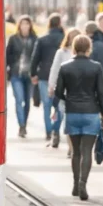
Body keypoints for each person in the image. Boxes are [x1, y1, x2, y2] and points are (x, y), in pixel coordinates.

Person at [52, 35, 103, 201]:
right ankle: (83, 183)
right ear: (89, 49)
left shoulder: (65, 67)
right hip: (91, 113)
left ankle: (76, 184)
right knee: (87, 152)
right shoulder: (96, 67)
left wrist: (59, 105)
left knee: (75, 152)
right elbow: (101, 93)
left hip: (72, 113)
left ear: (74, 48)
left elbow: (58, 92)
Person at [30, 13, 65, 143]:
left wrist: (33, 74)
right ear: (60, 23)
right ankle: (56, 129)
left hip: (44, 76)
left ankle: (48, 131)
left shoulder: (42, 39)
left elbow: (35, 58)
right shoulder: (64, 39)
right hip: (61, 77)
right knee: (59, 106)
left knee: (46, 105)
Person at [49, 28, 81, 154]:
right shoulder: (61, 52)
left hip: (79, 92)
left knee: (74, 119)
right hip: (65, 92)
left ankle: (73, 145)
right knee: (68, 118)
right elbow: (55, 69)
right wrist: (52, 86)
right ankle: (71, 147)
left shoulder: (83, 53)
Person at [6, 15, 37, 138]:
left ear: (30, 26)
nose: (25, 26)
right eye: (23, 23)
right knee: (19, 100)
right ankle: (22, 126)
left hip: (29, 75)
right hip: (16, 74)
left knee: (27, 101)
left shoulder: (35, 39)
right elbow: (7, 56)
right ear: (19, 25)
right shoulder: (13, 39)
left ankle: (24, 122)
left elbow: (38, 57)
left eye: (27, 24)